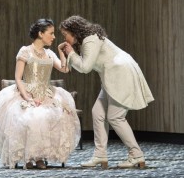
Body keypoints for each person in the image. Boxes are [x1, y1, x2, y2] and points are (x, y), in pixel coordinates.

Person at [59, 15, 154, 169]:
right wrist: (70, 54)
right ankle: (100, 155)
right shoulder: (87, 40)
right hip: (112, 76)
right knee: (98, 112)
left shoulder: (90, 40)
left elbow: (85, 67)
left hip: (120, 74)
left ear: (74, 31)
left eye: (66, 35)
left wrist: (70, 53)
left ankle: (136, 155)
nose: (66, 38)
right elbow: (81, 65)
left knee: (115, 117)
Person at [0, 18, 81, 169]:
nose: (53, 37)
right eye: (51, 33)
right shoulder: (25, 51)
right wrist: (27, 96)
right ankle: (28, 158)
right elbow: (18, 78)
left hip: (46, 93)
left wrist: (61, 52)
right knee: (32, 118)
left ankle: (39, 157)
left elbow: (65, 69)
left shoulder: (50, 53)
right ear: (40, 33)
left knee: (52, 116)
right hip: (28, 92)